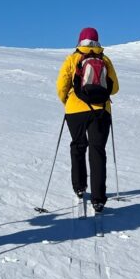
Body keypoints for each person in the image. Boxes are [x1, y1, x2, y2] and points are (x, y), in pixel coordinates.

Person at [56, 27, 119, 213]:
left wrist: (67, 101)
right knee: (97, 150)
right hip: (101, 111)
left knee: (78, 145)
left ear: (80, 40)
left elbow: (61, 86)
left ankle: (79, 187)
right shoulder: (104, 59)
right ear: (97, 41)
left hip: (75, 110)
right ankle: (98, 199)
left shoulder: (72, 58)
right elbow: (114, 88)